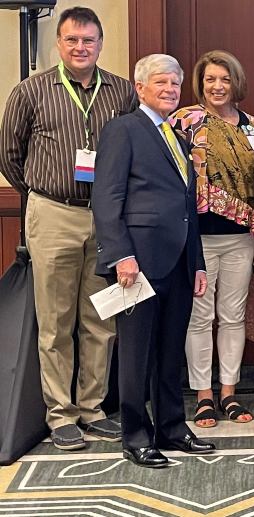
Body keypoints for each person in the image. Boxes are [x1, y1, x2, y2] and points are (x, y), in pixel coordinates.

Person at [0, 6, 136, 451]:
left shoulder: (120, 92)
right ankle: (60, 414)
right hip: (53, 213)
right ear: (59, 43)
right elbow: (10, 155)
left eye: (89, 41)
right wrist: (45, 194)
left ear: (100, 44)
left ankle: (92, 409)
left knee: (101, 319)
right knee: (55, 322)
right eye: (72, 40)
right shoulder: (31, 91)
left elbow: (133, 152)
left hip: (107, 218)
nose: (81, 48)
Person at [92, 54, 215, 468]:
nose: (169, 90)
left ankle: (172, 427)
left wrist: (196, 262)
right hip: (137, 264)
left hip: (179, 262)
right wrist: (121, 255)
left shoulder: (178, 139)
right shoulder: (122, 130)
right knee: (137, 352)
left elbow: (187, 207)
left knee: (169, 351)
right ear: (139, 87)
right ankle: (136, 434)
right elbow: (106, 200)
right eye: (161, 82)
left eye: (175, 84)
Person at [170, 50, 254, 428]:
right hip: (195, 239)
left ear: (236, 83)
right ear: (200, 83)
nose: (218, 86)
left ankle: (229, 392)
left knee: (233, 317)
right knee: (198, 318)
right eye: (210, 79)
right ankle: (202, 396)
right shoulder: (183, 122)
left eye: (225, 79)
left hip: (240, 237)